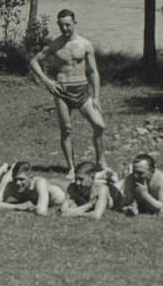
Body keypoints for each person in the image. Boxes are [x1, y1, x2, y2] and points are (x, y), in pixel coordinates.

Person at [29, 9, 106, 178]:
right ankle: (71, 167)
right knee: (67, 129)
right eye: (61, 25)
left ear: (74, 23)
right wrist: (48, 81)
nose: (64, 28)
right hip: (62, 91)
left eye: (68, 25)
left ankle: (101, 163)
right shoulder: (54, 45)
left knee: (99, 125)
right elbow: (34, 61)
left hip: (82, 90)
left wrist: (96, 97)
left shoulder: (85, 44)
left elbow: (93, 71)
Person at [0, 161, 66, 216]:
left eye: (21, 179)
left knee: (57, 191)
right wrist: (17, 207)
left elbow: (41, 211)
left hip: (59, 194)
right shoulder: (11, 185)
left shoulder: (39, 183)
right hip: (36, 199)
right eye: (15, 179)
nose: (18, 183)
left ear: (30, 178)